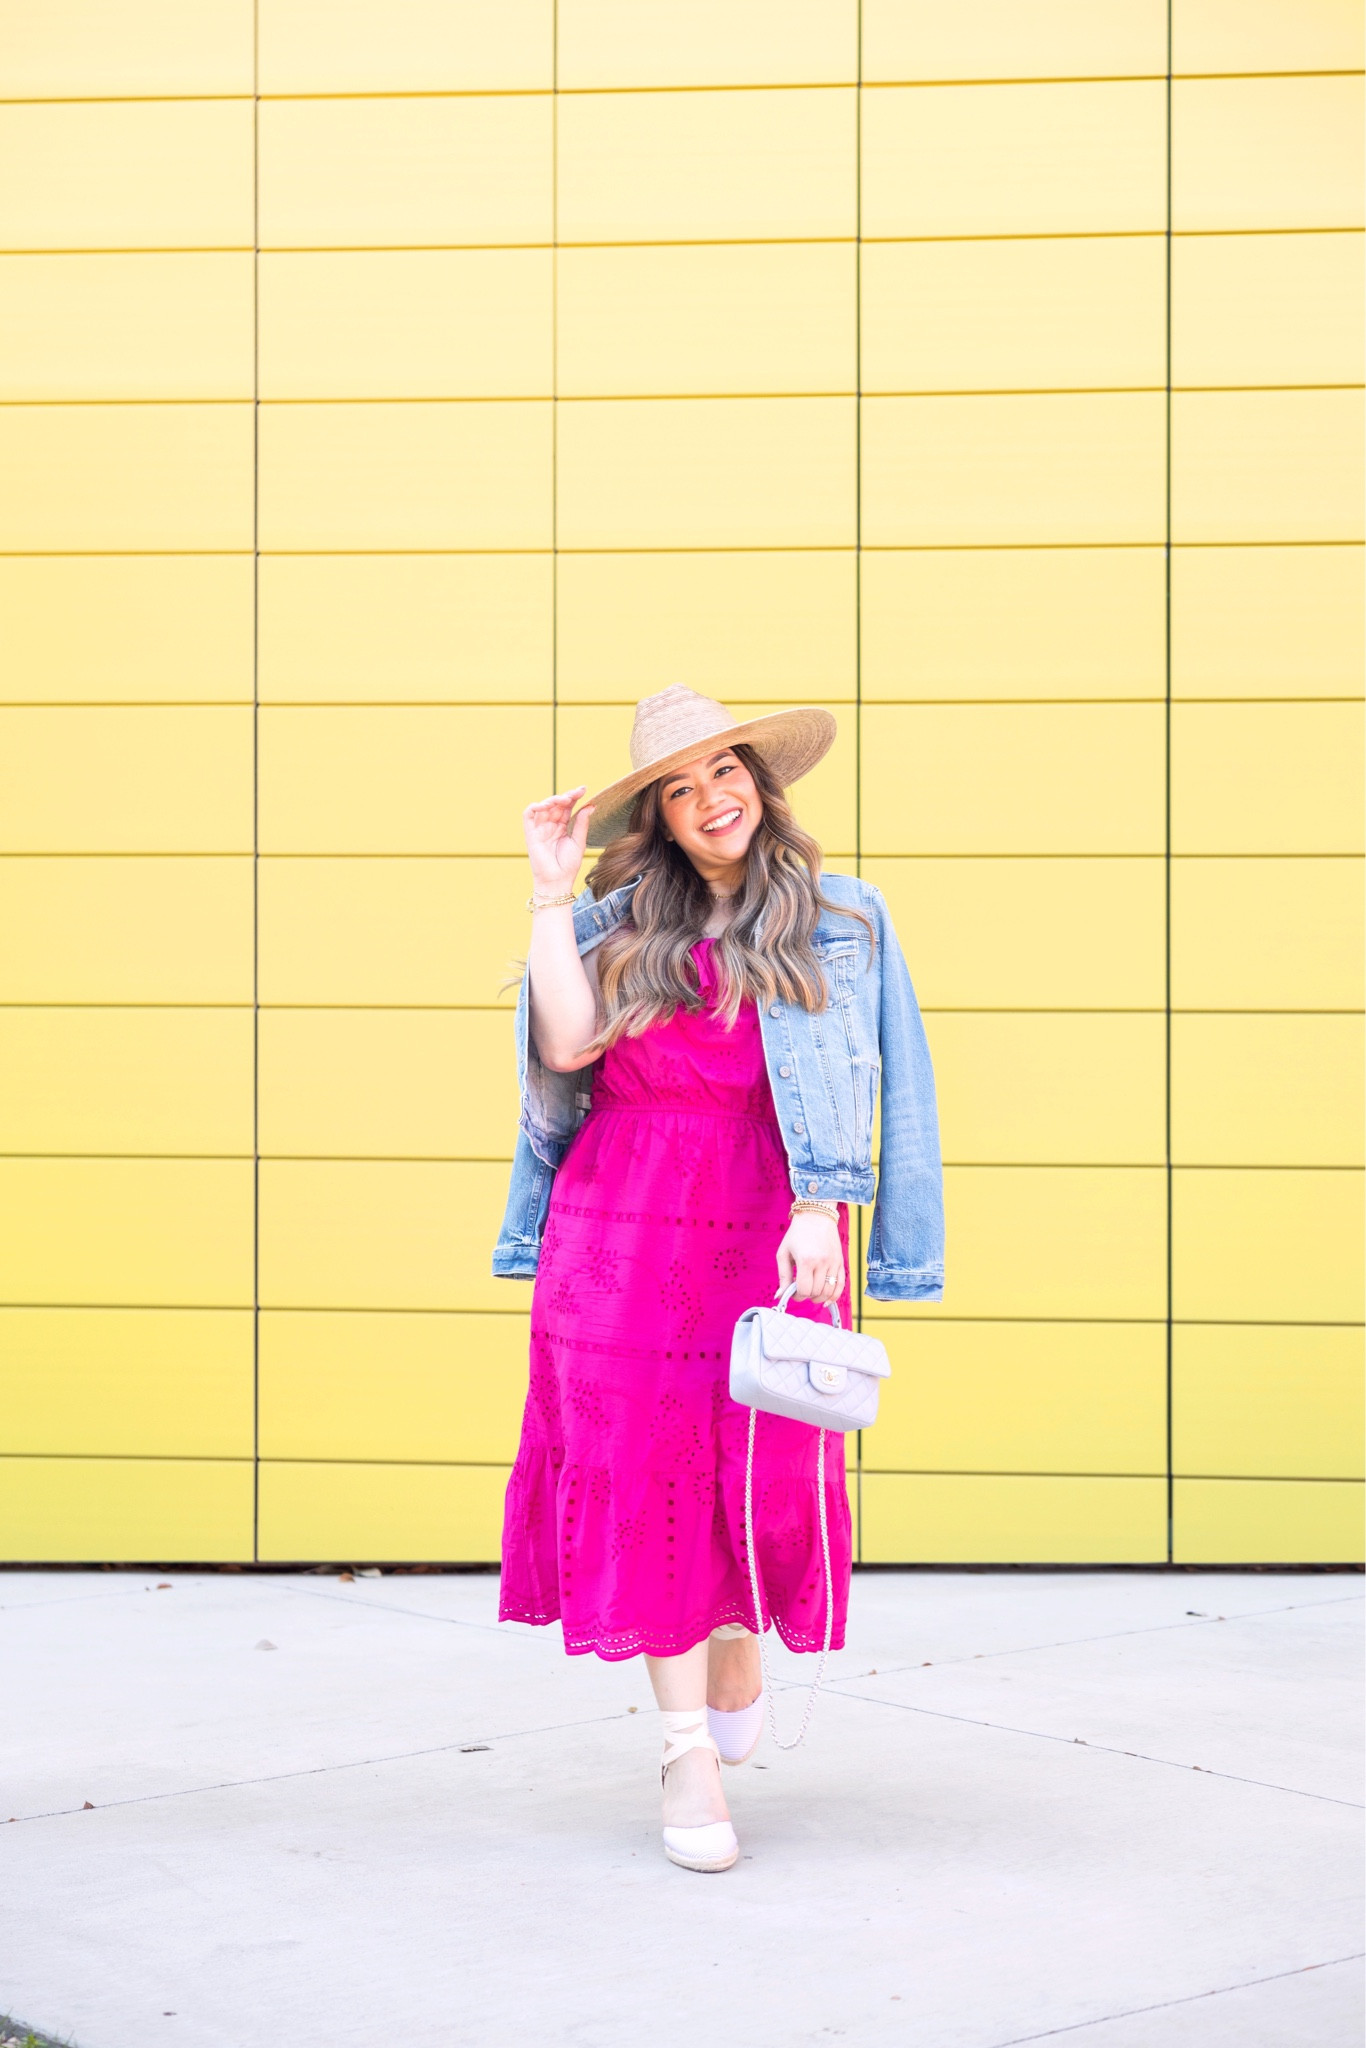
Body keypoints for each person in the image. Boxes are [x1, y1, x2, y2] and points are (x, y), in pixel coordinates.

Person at [493, 685, 943, 1872]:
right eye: (681, 789)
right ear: (659, 814)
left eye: (724, 772)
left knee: (753, 1465)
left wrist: (827, 1208)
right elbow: (563, 1045)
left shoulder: (844, 919)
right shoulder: (614, 917)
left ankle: (735, 1627)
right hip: (618, 1221)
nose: (711, 801)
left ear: (759, 779)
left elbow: (894, 1082)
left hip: (766, 1220)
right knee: (641, 1468)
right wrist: (550, 889)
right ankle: (682, 1748)